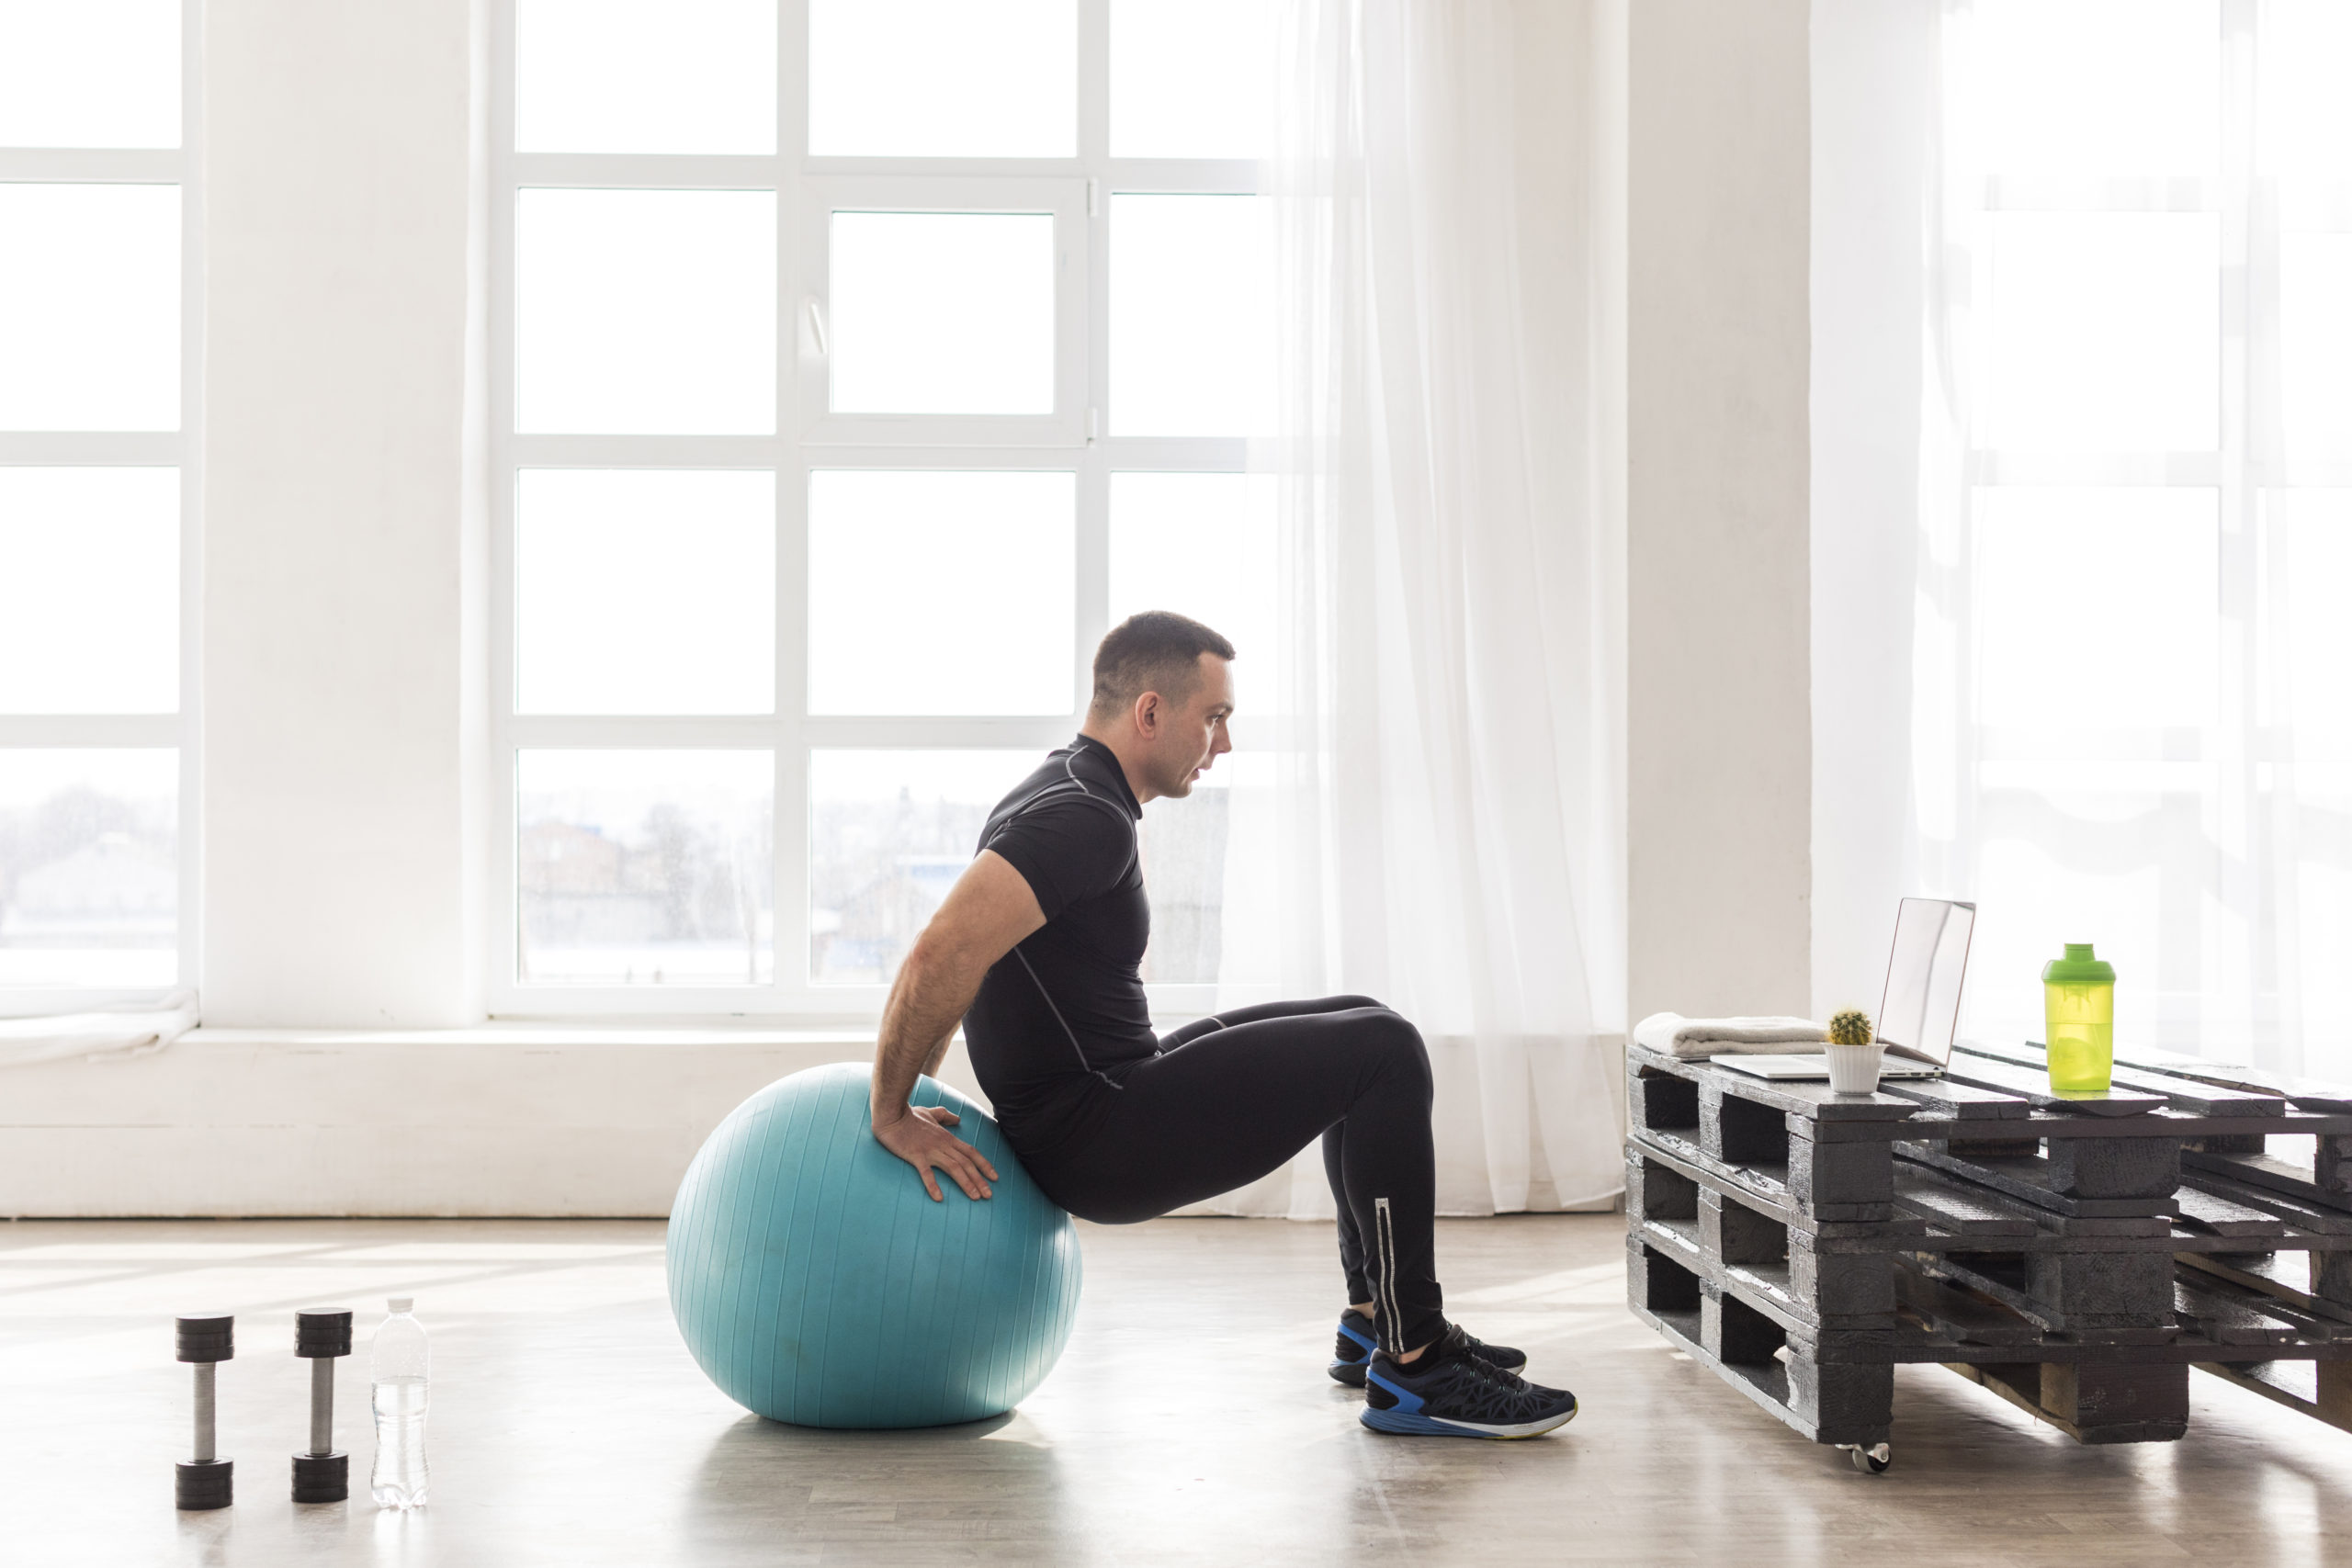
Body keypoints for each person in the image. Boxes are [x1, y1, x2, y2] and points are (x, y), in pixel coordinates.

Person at [867, 611, 1577, 1439]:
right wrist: (893, 1110)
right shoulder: (1081, 816)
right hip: (1100, 1135)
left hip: (1113, 1089)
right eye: (1214, 718)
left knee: (1368, 1022)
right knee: (1385, 1054)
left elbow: (965, 960)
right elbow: (938, 955)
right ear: (1150, 713)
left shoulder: (1069, 784)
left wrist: (913, 1091)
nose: (1223, 745)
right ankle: (1417, 1364)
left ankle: (1373, 1316)